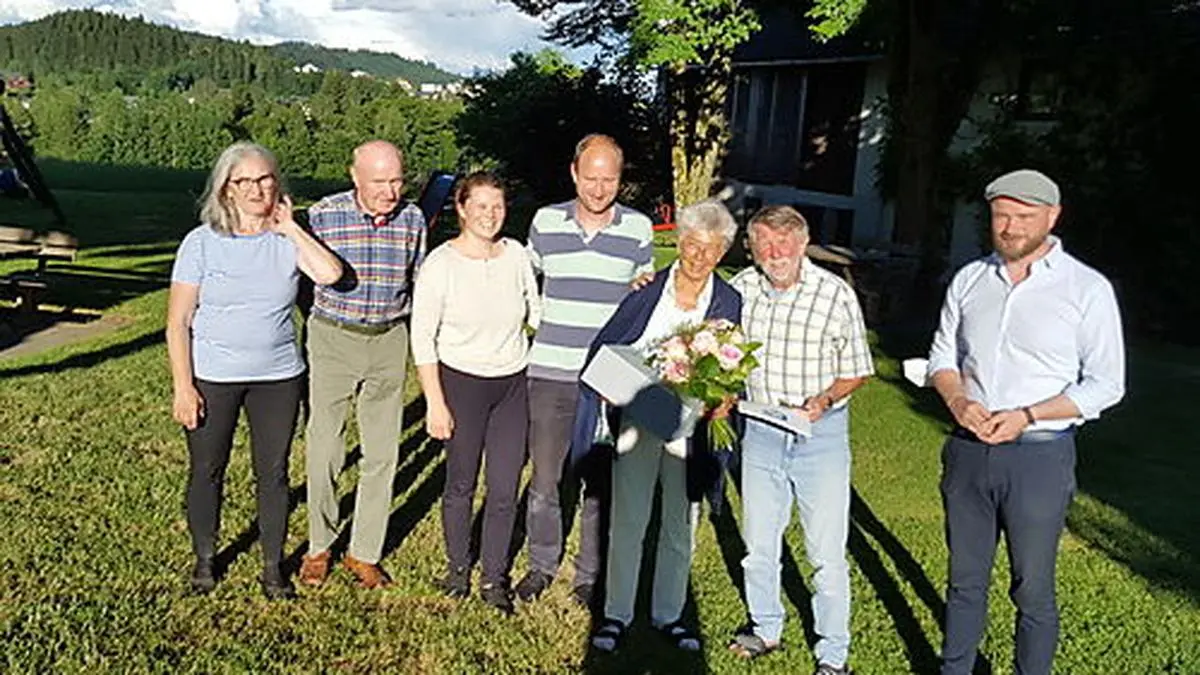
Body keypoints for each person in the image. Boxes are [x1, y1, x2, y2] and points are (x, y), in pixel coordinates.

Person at [927, 169, 1125, 675]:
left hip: (1038, 456)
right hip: (969, 449)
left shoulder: (1086, 289)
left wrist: (1027, 415)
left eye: (1024, 216)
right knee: (965, 580)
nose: (1010, 227)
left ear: (1052, 217)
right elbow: (942, 360)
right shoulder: (970, 279)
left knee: (1032, 585)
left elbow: (1106, 384)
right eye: (1000, 216)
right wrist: (959, 403)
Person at [166, 141, 342, 600]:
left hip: (278, 377)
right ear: (226, 188)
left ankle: (271, 567)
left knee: (275, 473)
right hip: (213, 375)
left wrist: (290, 229)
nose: (257, 189)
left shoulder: (286, 240)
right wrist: (184, 386)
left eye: (266, 179)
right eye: (244, 181)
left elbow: (329, 275)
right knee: (207, 468)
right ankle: (206, 560)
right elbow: (178, 320)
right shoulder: (201, 242)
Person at [575, 199, 742, 653]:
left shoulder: (729, 300)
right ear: (680, 242)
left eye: (711, 249)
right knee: (629, 517)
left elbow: (735, 365)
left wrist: (726, 398)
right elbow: (605, 345)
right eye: (692, 244)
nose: (699, 256)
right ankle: (616, 614)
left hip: (692, 426)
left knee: (679, 522)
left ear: (723, 252)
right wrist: (609, 384)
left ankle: (669, 614)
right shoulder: (648, 290)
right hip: (640, 415)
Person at [726, 205, 874, 675]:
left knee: (825, 551)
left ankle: (833, 654)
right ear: (752, 246)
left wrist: (825, 399)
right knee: (759, 543)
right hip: (762, 431)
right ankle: (766, 627)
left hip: (820, 434)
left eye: (786, 242)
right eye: (766, 242)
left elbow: (857, 370)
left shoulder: (834, 295)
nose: (776, 252)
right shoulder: (742, 290)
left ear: (803, 243)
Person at [514, 134, 655, 607]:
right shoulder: (545, 222)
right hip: (551, 367)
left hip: (609, 376)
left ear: (621, 178)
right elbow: (524, 283)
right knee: (546, 476)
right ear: (574, 173)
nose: (598, 188)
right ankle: (541, 564)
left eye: (609, 179)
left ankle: (590, 573)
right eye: (590, 178)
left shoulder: (638, 229)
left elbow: (643, 297)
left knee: (600, 479)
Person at [410, 172, 541, 614]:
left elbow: (536, 313)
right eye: (480, 206)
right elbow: (422, 338)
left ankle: (493, 577)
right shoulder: (440, 265)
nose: (489, 215)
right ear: (461, 209)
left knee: (504, 488)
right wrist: (435, 401)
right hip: (460, 383)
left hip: (511, 385)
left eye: (497, 206)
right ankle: (457, 569)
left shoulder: (517, 255)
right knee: (461, 483)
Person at [299, 140, 427, 589]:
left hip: (389, 339)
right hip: (333, 337)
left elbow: (418, 281)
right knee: (326, 448)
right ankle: (319, 544)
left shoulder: (413, 219)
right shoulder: (322, 216)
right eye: (379, 182)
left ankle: (364, 551)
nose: (390, 191)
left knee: (382, 451)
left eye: (396, 180)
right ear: (355, 177)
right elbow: (301, 280)